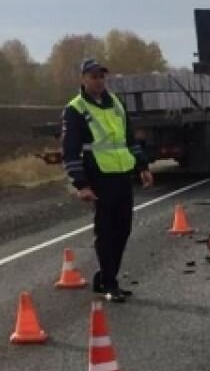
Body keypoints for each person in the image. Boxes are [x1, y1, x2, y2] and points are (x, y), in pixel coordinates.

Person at [61, 59, 153, 303]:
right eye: (93, 76)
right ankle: (110, 284)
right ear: (83, 78)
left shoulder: (116, 103)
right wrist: (81, 184)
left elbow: (129, 139)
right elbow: (70, 151)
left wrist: (143, 166)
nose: (98, 81)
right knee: (106, 231)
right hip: (99, 175)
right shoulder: (75, 109)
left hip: (122, 173)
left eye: (101, 76)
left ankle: (104, 277)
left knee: (123, 228)